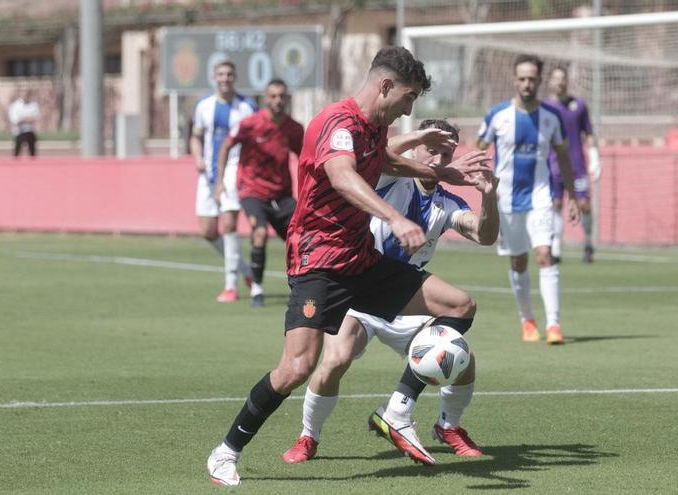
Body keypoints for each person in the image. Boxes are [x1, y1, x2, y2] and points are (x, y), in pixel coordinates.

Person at [205, 46, 492, 486]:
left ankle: (398, 408)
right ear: (385, 86)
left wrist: (444, 174)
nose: (409, 109)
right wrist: (393, 217)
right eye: (409, 98)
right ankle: (226, 451)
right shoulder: (337, 122)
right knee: (297, 368)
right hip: (317, 262)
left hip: (361, 260)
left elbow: (386, 161)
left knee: (459, 305)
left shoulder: (375, 128)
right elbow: (342, 175)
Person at [281, 118, 499, 466]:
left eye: (447, 154)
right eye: (432, 150)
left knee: (461, 358)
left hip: (408, 298)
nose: (439, 162)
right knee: (334, 361)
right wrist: (414, 139)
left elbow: (485, 235)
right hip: (363, 290)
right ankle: (309, 435)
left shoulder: (447, 203)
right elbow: (383, 153)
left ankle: (447, 426)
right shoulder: (386, 177)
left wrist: (489, 198)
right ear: (416, 148)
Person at [477, 54, 580, 346]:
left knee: (545, 254)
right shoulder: (497, 115)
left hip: (540, 197)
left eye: (532, 79)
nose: (527, 84)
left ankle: (554, 324)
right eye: (522, 78)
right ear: (514, 80)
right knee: (519, 261)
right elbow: (480, 149)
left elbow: (564, 156)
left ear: (539, 81)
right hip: (507, 200)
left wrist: (572, 196)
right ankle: (527, 321)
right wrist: (485, 192)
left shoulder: (552, 117)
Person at [215, 79, 304, 307]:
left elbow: (305, 159)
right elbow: (226, 145)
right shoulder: (250, 124)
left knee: (301, 238)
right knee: (260, 233)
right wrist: (219, 182)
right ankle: (256, 287)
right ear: (266, 98)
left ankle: (301, 286)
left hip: (282, 195)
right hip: (252, 191)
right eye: (273, 96)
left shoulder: (293, 129)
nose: (277, 101)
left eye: (282, 96)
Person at [190, 60, 255, 303]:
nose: (225, 78)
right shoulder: (203, 106)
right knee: (208, 231)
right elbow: (196, 137)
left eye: (229, 74)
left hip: (233, 171)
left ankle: (231, 286)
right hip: (207, 174)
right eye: (221, 74)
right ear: (214, 77)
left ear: (235, 77)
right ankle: (246, 271)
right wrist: (197, 158)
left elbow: (257, 138)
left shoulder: (246, 107)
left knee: (228, 225)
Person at [543, 66, 601, 263]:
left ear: (567, 81)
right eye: (556, 78)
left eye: (563, 78)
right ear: (550, 81)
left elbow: (589, 133)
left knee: (584, 204)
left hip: (577, 165)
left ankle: (588, 244)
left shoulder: (579, 105)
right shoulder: (543, 107)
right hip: (552, 164)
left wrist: (594, 156)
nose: (560, 82)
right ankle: (556, 248)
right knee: (556, 204)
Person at [8, 89, 39, 157]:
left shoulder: (33, 105)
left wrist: (23, 118)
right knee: (17, 153)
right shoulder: (16, 106)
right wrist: (27, 118)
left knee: (32, 153)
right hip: (19, 132)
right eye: (23, 94)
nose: (25, 96)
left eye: (26, 94)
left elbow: (36, 118)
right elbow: (15, 120)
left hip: (30, 131)